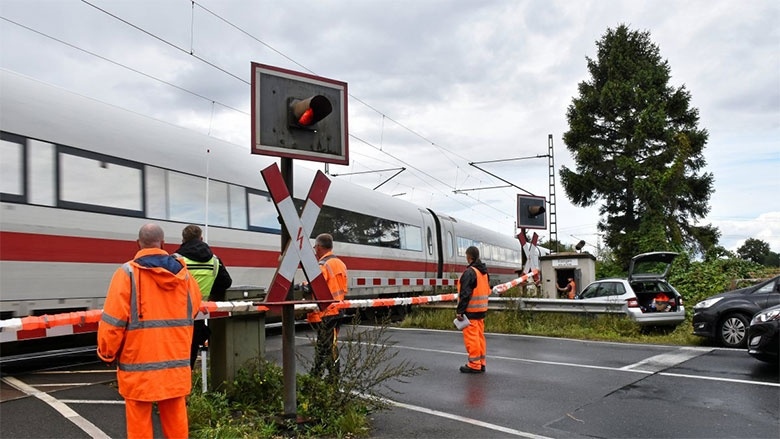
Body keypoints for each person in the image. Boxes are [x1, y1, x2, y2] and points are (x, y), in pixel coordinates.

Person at [97, 223, 202, 439]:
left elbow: (113, 323)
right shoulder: (184, 276)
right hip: (175, 365)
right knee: (176, 421)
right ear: (163, 244)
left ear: (138, 244)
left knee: (139, 423)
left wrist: (106, 353)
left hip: (138, 368)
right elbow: (193, 308)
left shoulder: (126, 274)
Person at [175, 224, 232, 368]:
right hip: (198, 315)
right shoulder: (214, 260)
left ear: (183, 240)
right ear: (201, 238)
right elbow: (226, 282)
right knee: (190, 358)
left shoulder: (176, 259)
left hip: (176, 316)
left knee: (175, 359)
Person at [303, 233, 348, 379]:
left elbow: (315, 286)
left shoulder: (323, 265)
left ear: (320, 247)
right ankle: (326, 376)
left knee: (325, 347)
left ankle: (322, 377)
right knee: (328, 346)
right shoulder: (340, 263)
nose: (315, 250)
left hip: (326, 312)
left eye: (315, 247)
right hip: (338, 309)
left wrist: (301, 286)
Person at [456, 246, 489, 374]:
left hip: (471, 311)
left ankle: (474, 364)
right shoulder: (483, 272)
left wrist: (460, 311)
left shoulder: (470, 272)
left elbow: (465, 293)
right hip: (481, 310)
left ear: (469, 257)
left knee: (472, 338)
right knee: (479, 337)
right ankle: (481, 363)